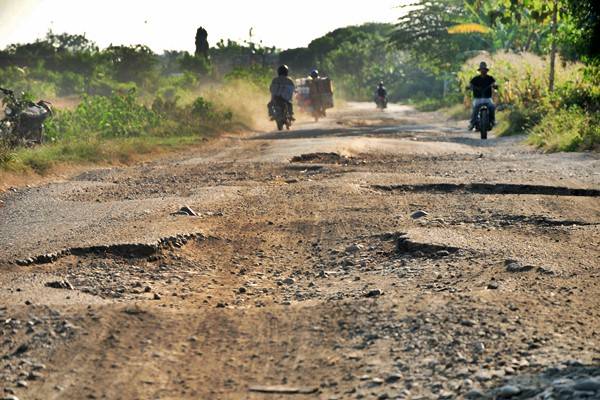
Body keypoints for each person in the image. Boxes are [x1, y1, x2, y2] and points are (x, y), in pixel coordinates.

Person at [468, 61, 497, 130]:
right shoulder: (475, 79)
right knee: (475, 108)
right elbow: (470, 85)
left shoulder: (490, 78)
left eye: (484, 69)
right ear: (480, 70)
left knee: (492, 107)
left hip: (488, 98)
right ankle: (472, 123)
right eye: (482, 69)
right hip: (477, 98)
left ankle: (492, 121)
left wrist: (495, 86)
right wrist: (470, 87)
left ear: (486, 70)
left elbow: (494, 84)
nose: (483, 71)